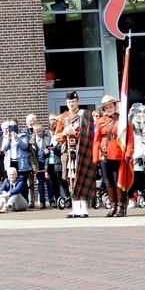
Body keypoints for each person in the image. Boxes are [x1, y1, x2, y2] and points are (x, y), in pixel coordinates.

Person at [54, 90, 94, 218]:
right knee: (71, 180)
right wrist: (64, 133)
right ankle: (75, 209)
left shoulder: (85, 114)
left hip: (83, 151)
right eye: (69, 102)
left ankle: (84, 209)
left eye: (73, 101)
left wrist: (75, 133)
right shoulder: (63, 117)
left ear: (78, 102)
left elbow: (90, 133)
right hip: (69, 152)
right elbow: (56, 136)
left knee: (83, 179)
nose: (71, 104)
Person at [93, 95, 131, 217]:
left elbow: (130, 138)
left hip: (118, 153)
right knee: (108, 181)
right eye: (106, 107)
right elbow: (96, 140)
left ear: (115, 106)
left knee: (117, 180)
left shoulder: (123, 120)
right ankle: (113, 206)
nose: (109, 109)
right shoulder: (100, 121)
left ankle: (121, 206)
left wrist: (129, 153)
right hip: (104, 154)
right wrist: (95, 157)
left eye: (110, 106)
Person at [131, 125, 145, 207]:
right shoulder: (137, 141)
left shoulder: (139, 139)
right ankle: (131, 197)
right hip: (136, 164)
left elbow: (142, 153)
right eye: (144, 133)